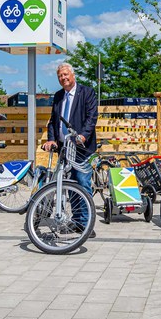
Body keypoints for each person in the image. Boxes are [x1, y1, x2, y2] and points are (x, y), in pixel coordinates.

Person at [42, 62, 98, 238]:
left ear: (73, 75)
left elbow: (91, 117)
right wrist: (51, 139)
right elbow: (53, 120)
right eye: (60, 76)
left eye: (66, 74)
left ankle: (87, 223)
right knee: (70, 185)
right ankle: (77, 221)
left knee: (82, 183)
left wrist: (83, 135)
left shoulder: (86, 93)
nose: (63, 78)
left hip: (82, 148)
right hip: (64, 148)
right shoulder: (58, 96)